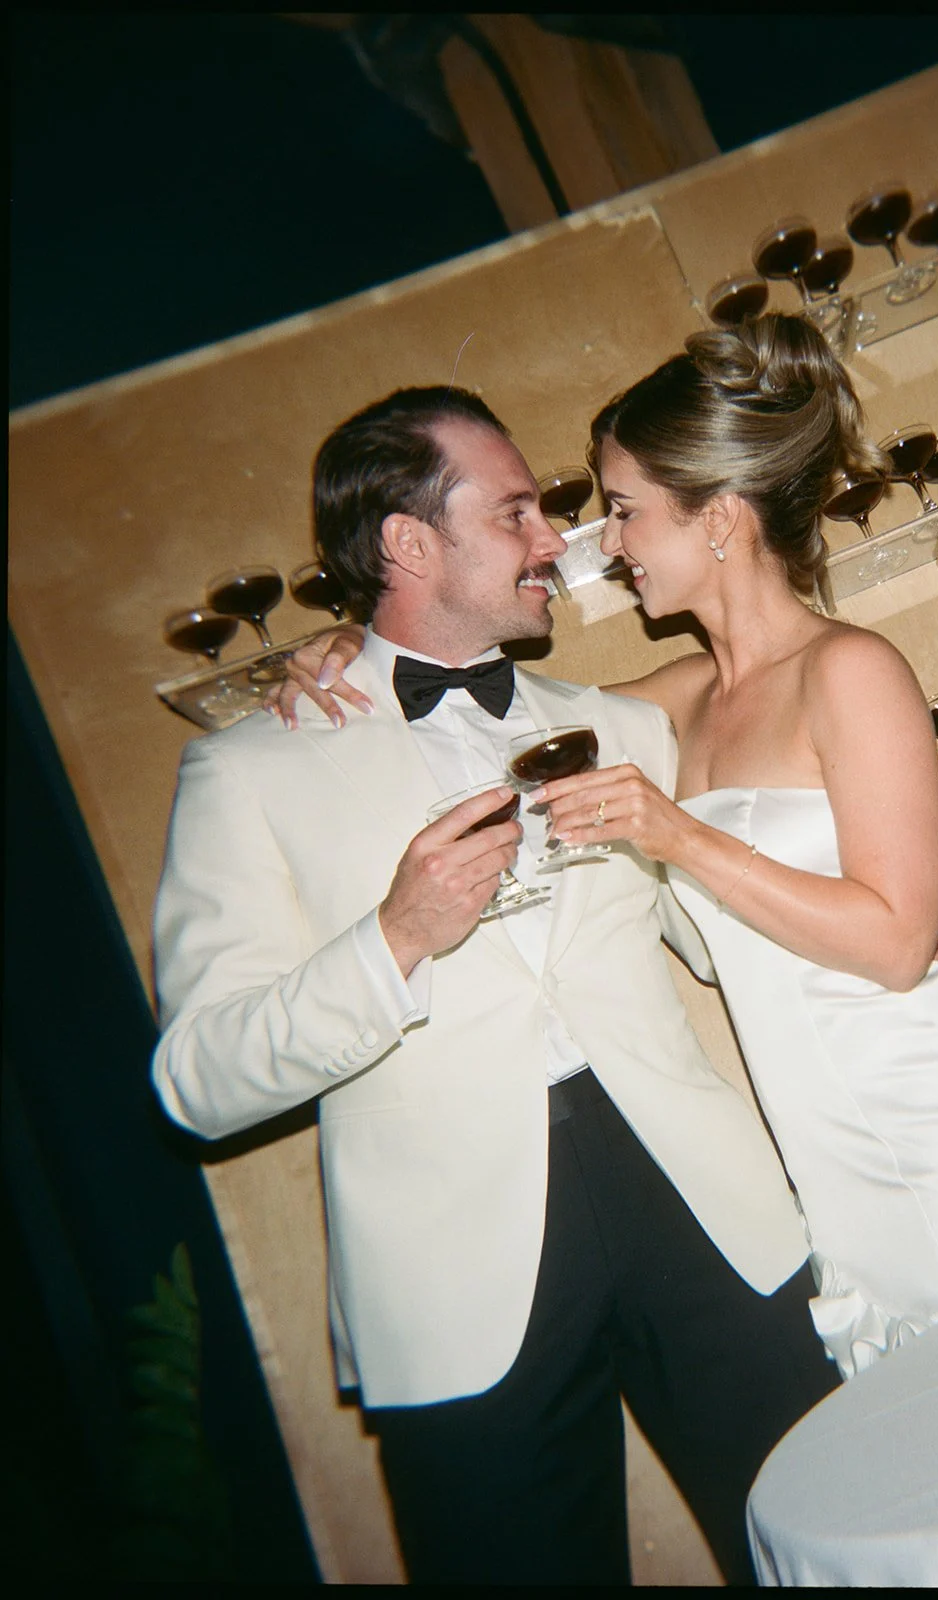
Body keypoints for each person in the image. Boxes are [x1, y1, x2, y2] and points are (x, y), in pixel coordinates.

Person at [149, 385, 842, 1587]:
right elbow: (196, 1082)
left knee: (838, 1544)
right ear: (409, 545)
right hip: (453, 1279)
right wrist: (394, 937)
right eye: (517, 511)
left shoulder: (621, 725)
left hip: (708, 1213)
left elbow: (733, 931)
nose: (553, 542)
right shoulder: (248, 770)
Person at [286, 316, 938, 1382]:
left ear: (721, 518)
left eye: (626, 511)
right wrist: (347, 651)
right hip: (815, 1145)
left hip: (921, 1108)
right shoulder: (678, 698)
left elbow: (902, 941)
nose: (608, 543)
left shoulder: (851, 670)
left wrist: (675, 833)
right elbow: (478, 717)